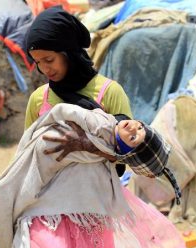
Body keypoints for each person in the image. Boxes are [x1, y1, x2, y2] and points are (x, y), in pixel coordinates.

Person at [0, 103, 184, 248]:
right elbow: (59, 114)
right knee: (14, 186)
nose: (134, 129)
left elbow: (108, 153)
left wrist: (94, 148)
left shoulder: (103, 154)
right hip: (48, 200)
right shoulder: (102, 121)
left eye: (133, 139)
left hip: (80, 214)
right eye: (140, 128)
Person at [24, 5, 132, 176]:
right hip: (51, 199)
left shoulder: (109, 92)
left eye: (49, 59)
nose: (45, 69)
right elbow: (26, 154)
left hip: (98, 197)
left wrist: (87, 146)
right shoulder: (39, 98)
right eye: (38, 62)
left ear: (69, 52)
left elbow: (131, 153)